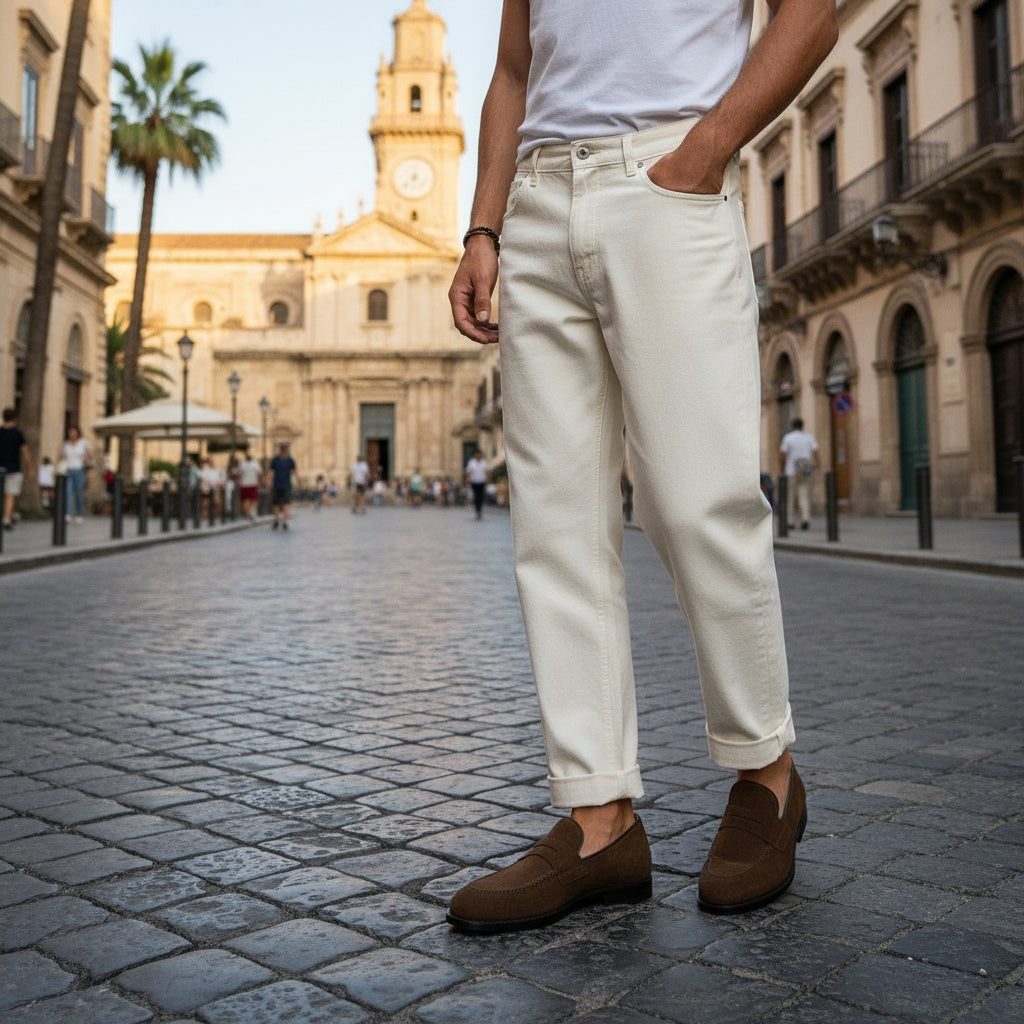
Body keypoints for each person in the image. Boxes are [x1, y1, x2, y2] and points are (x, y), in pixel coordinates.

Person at [446, 0, 836, 932]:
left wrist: (707, 149)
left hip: (666, 183)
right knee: (557, 526)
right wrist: (483, 228)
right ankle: (597, 817)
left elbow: (812, 14)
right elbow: (511, 71)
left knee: (700, 500)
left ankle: (767, 775)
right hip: (537, 204)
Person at [780, 417, 820, 531]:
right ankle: (805, 519)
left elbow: (783, 454)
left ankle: (790, 521)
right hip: (806, 471)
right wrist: (817, 466)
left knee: (790, 497)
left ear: (792, 426)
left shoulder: (788, 438)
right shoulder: (809, 437)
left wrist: (782, 469)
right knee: (804, 495)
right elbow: (816, 452)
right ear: (802, 426)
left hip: (791, 471)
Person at [1, 407, 32, 530]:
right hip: (13, 469)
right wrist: (29, 467)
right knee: (10, 495)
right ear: (14, 418)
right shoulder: (18, 433)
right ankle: (6, 519)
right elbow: (25, 452)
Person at [61, 425, 92, 523]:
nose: (72, 434)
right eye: (70, 432)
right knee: (68, 493)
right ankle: (67, 514)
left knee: (79, 493)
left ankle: (79, 514)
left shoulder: (83, 443)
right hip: (69, 470)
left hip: (79, 470)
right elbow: (62, 456)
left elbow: (90, 453)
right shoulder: (65, 444)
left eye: (74, 432)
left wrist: (85, 457)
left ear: (78, 433)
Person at [268, 442, 296, 530]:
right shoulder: (275, 460)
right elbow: (271, 472)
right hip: (277, 484)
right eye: (282, 449)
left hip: (286, 485)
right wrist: (268, 481)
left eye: (284, 449)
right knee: (276, 504)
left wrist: (298, 481)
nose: (283, 451)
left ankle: (284, 521)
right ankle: (277, 520)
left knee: (285, 503)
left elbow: (294, 471)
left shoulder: (289, 460)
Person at [236, 448, 262, 521]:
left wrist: (238, 482)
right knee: (251, 500)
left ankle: (249, 512)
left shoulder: (243, 464)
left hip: (247, 484)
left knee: (248, 500)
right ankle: (249, 512)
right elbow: (258, 474)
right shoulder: (254, 463)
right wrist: (259, 482)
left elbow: (239, 474)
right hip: (250, 484)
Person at [465, 448, 489, 519]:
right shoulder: (471, 462)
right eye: (477, 454)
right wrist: (468, 479)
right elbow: (468, 472)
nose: (478, 455)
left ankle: (479, 509)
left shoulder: (484, 462)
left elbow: (487, 471)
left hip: (482, 481)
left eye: (479, 454)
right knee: (476, 496)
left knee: (481, 496)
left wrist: (487, 479)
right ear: (475, 455)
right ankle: (477, 509)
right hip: (474, 482)